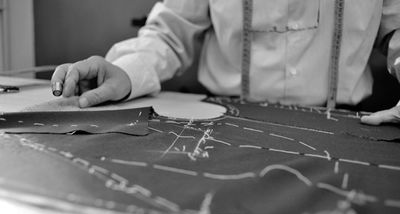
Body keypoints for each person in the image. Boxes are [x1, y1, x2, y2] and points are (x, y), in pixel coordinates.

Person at [51, 0, 400, 125]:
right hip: (226, 126)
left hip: (345, 126)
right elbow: (171, 31)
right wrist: (126, 71)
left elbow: (396, 29)